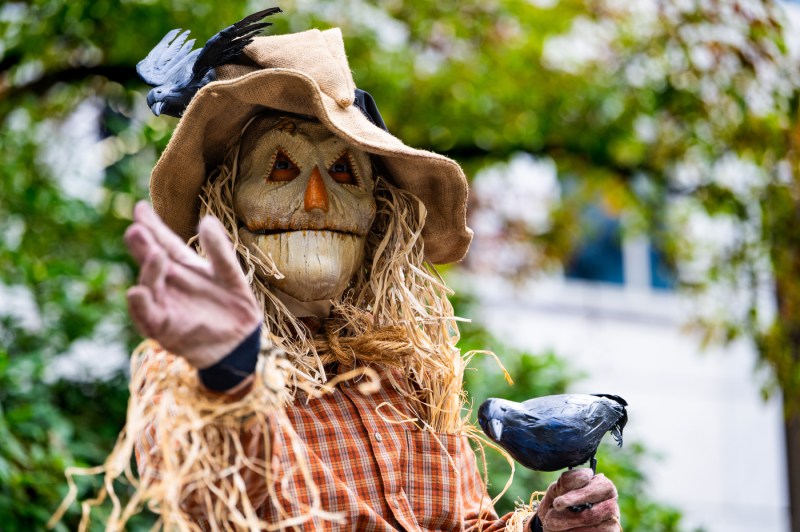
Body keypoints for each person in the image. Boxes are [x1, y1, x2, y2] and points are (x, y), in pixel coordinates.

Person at [124, 17, 621, 532]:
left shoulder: (410, 373)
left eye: (343, 171)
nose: (316, 202)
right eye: (280, 167)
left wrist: (546, 529)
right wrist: (231, 373)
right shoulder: (193, 367)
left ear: (377, 212)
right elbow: (214, 504)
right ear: (226, 205)